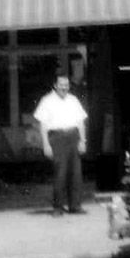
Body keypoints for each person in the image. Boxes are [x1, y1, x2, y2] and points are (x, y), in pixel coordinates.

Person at [33, 71, 88, 216]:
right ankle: (58, 207)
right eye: (61, 85)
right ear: (55, 85)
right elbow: (43, 125)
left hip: (73, 137)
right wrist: (46, 145)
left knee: (76, 173)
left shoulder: (73, 100)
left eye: (66, 85)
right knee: (60, 173)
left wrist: (82, 140)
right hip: (57, 138)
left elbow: (80, 122)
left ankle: (75, 206)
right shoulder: (47, 101)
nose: (64, 87)